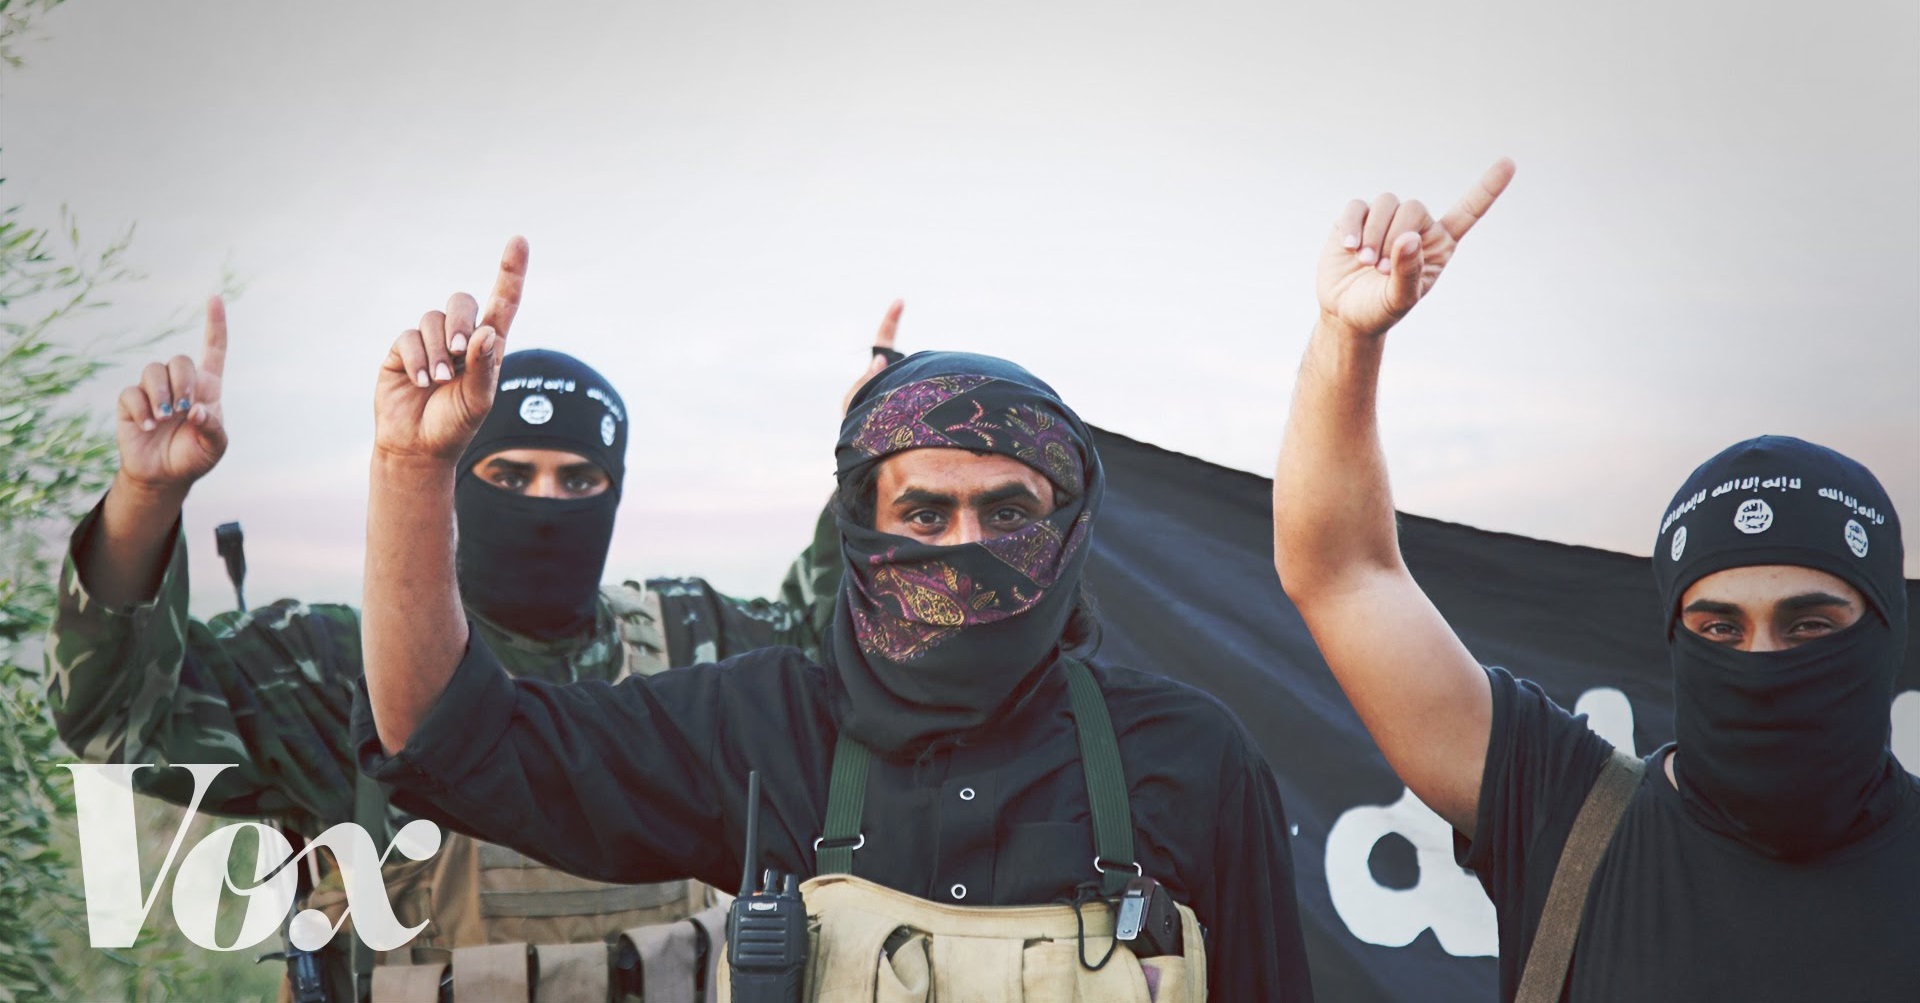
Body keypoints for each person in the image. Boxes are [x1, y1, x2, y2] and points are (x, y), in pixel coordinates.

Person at [350, 251, 1316, 999]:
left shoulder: (1190, 756)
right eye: (924, 514)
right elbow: (451, 734)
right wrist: (411, 469)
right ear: (861, 527)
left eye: (1009, 514)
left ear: (1069, 532)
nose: (964, 547)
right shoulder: (760, 730)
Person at [44, 238, 881, 1002]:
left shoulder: (692, 638)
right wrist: (146, 499)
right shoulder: (338, 667)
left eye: (578, 481)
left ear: (614, 493)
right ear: (457, 473)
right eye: (509, 475)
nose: (545, 503)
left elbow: (855, 650)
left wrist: (874, 456)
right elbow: (118, 718)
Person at [1272, 160, 1919, 1000]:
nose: (1761, 659)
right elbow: (1341, 571)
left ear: (1885, 632)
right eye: (1719, 627)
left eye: (1809, 626)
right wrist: (1347, 337)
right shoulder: (1570, 814)